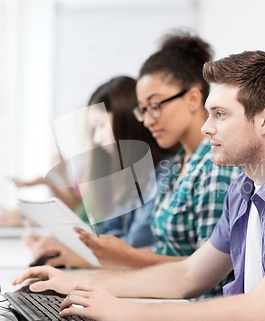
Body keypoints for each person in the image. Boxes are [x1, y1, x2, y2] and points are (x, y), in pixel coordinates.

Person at [13, 50, 265, 321]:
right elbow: (189, 275)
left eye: (220, 114)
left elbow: (262, 318)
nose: (205, 128)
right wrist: (80, 284)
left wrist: (124, 311)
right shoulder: (246, 185)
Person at [74, 32, 241, 282]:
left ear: (193, 98)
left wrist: (126, 256)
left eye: (155, 106)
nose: (149, 120)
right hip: (164, 292)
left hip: (196, 306)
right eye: (143, 110)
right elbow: (164, 250)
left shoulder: (215, 166)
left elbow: (211, 270)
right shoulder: (175, 165)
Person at [24, 76, 177, 268]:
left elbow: (134, 245)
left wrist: (78, 256)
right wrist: (63, 243)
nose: (97, 138)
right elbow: (106, 232)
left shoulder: (163, 175)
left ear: (127, 124)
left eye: (101, 125)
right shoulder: (129, 176)